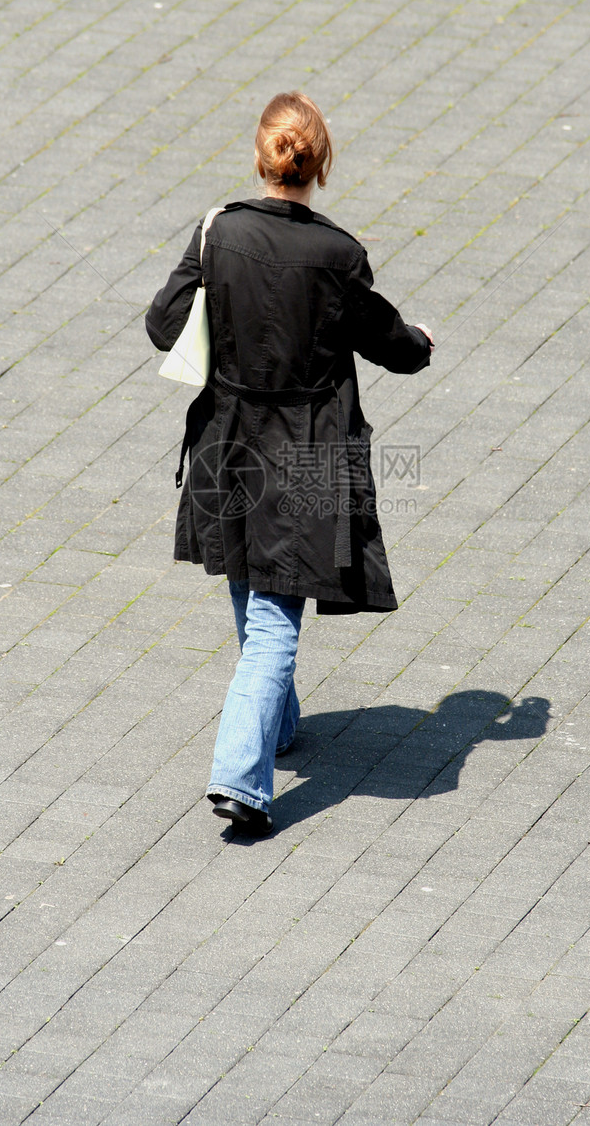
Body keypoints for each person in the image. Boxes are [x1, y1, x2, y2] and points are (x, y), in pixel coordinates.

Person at [146, 92, 434, 835]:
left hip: (225, 441)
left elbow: (162, 324)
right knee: (275, 622)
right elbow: (391, 345)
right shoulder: (338, 255)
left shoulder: (218, 231)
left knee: (253, 588)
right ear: (320, 163)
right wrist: (421, 341)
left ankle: (275, 728)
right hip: (302, 452)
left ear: (261, 156)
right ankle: (242, 780)